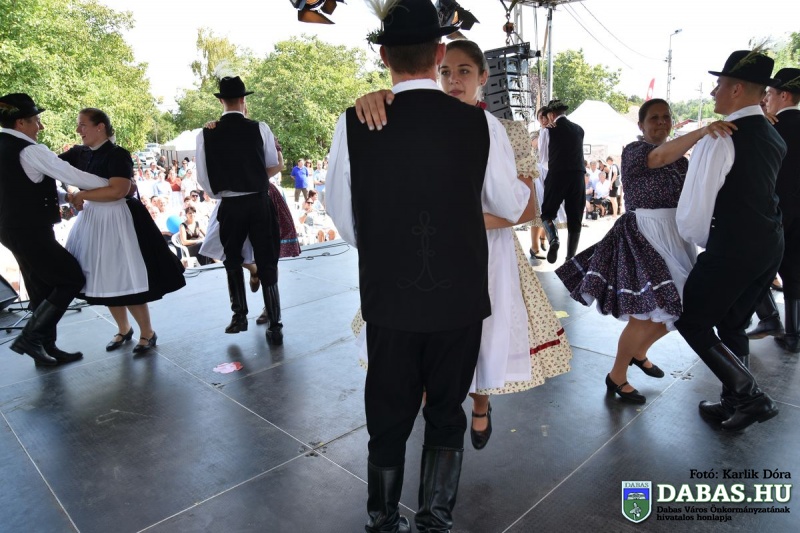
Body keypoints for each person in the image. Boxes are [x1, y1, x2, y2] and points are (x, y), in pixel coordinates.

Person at [327, 3, 530, 530]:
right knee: (445, 411)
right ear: (439, 54)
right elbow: (509, 205)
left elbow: (343, 215)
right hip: (457, 299)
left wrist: (384, 245)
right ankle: (435, 519)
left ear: (383, 56)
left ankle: (382, 520)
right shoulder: (481, 125)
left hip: (390, 299)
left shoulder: (354, 122)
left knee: (387, 415)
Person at [556, 98, 734, 404]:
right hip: (645, 235)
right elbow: (659, 157)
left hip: (675, 235)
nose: (661, 122)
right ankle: (617, 375)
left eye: (666, 117)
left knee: (683, 308)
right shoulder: (635, 150)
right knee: (646, 314)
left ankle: (638, 353)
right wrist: (703, 131)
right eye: (654, 118)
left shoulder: (680, 161)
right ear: (641, 124)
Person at [675, 50, 785, 431]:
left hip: (734, 247)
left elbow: (694, 212)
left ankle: (749, 395)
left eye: (719, 85)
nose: (713, 92)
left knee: (691, 319)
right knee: (733, 324)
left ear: (737, 90)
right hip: (769, 244)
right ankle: (733, 403)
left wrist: (705, 246)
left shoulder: (721, 138)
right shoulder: (772, 134)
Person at [62, 108, 185, 353]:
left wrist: (82, 195)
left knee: (126, 277)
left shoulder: (117, 154)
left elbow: (118, 190)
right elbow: (54, 167)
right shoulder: (79, 153)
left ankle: (147, 332)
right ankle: (123, 328)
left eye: (83, 124)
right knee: (104, 278)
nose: (78, 130)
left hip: (117, 220)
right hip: (93, 220)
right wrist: (72, 192)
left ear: (100, 127)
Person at [0, 93, 108, 366]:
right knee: (70, 278)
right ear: (21, 123)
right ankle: (31, 338)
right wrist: (112, 185)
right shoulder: (31, 150)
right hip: (31, 229)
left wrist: (67, 197)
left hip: (11, 228)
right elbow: (72, 175)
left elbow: (24, 189)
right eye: (36, 120)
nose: (41, 126)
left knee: (41, 287)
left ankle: (44, 347)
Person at [195, 75, 285, 344]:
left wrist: (222, 191)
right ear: (243, 100)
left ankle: (239, 316)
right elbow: (271, 163)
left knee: (232, 259)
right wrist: (252, 178)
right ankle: (275, 324)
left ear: (221, 101)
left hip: (230, 204)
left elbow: (204, 178)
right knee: (267, 260)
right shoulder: (260, 128)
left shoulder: (206, 133)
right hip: (258, 201)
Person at [745, 68, 800, 352]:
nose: (765, 98)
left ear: (784, 95)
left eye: (770, 93)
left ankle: (768, 317)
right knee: (794, 270)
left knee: (749, 265)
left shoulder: (769, 128)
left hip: (771, 212)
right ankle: (794, 334)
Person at [540, 99, 586, 264]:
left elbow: (544, 159)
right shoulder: (579, 129)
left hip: (557, 174)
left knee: (547, 213)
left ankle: (554, 239)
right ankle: (570, 259)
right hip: (578, 176)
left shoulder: (548, 130)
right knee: (575, 217)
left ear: (552, 115)